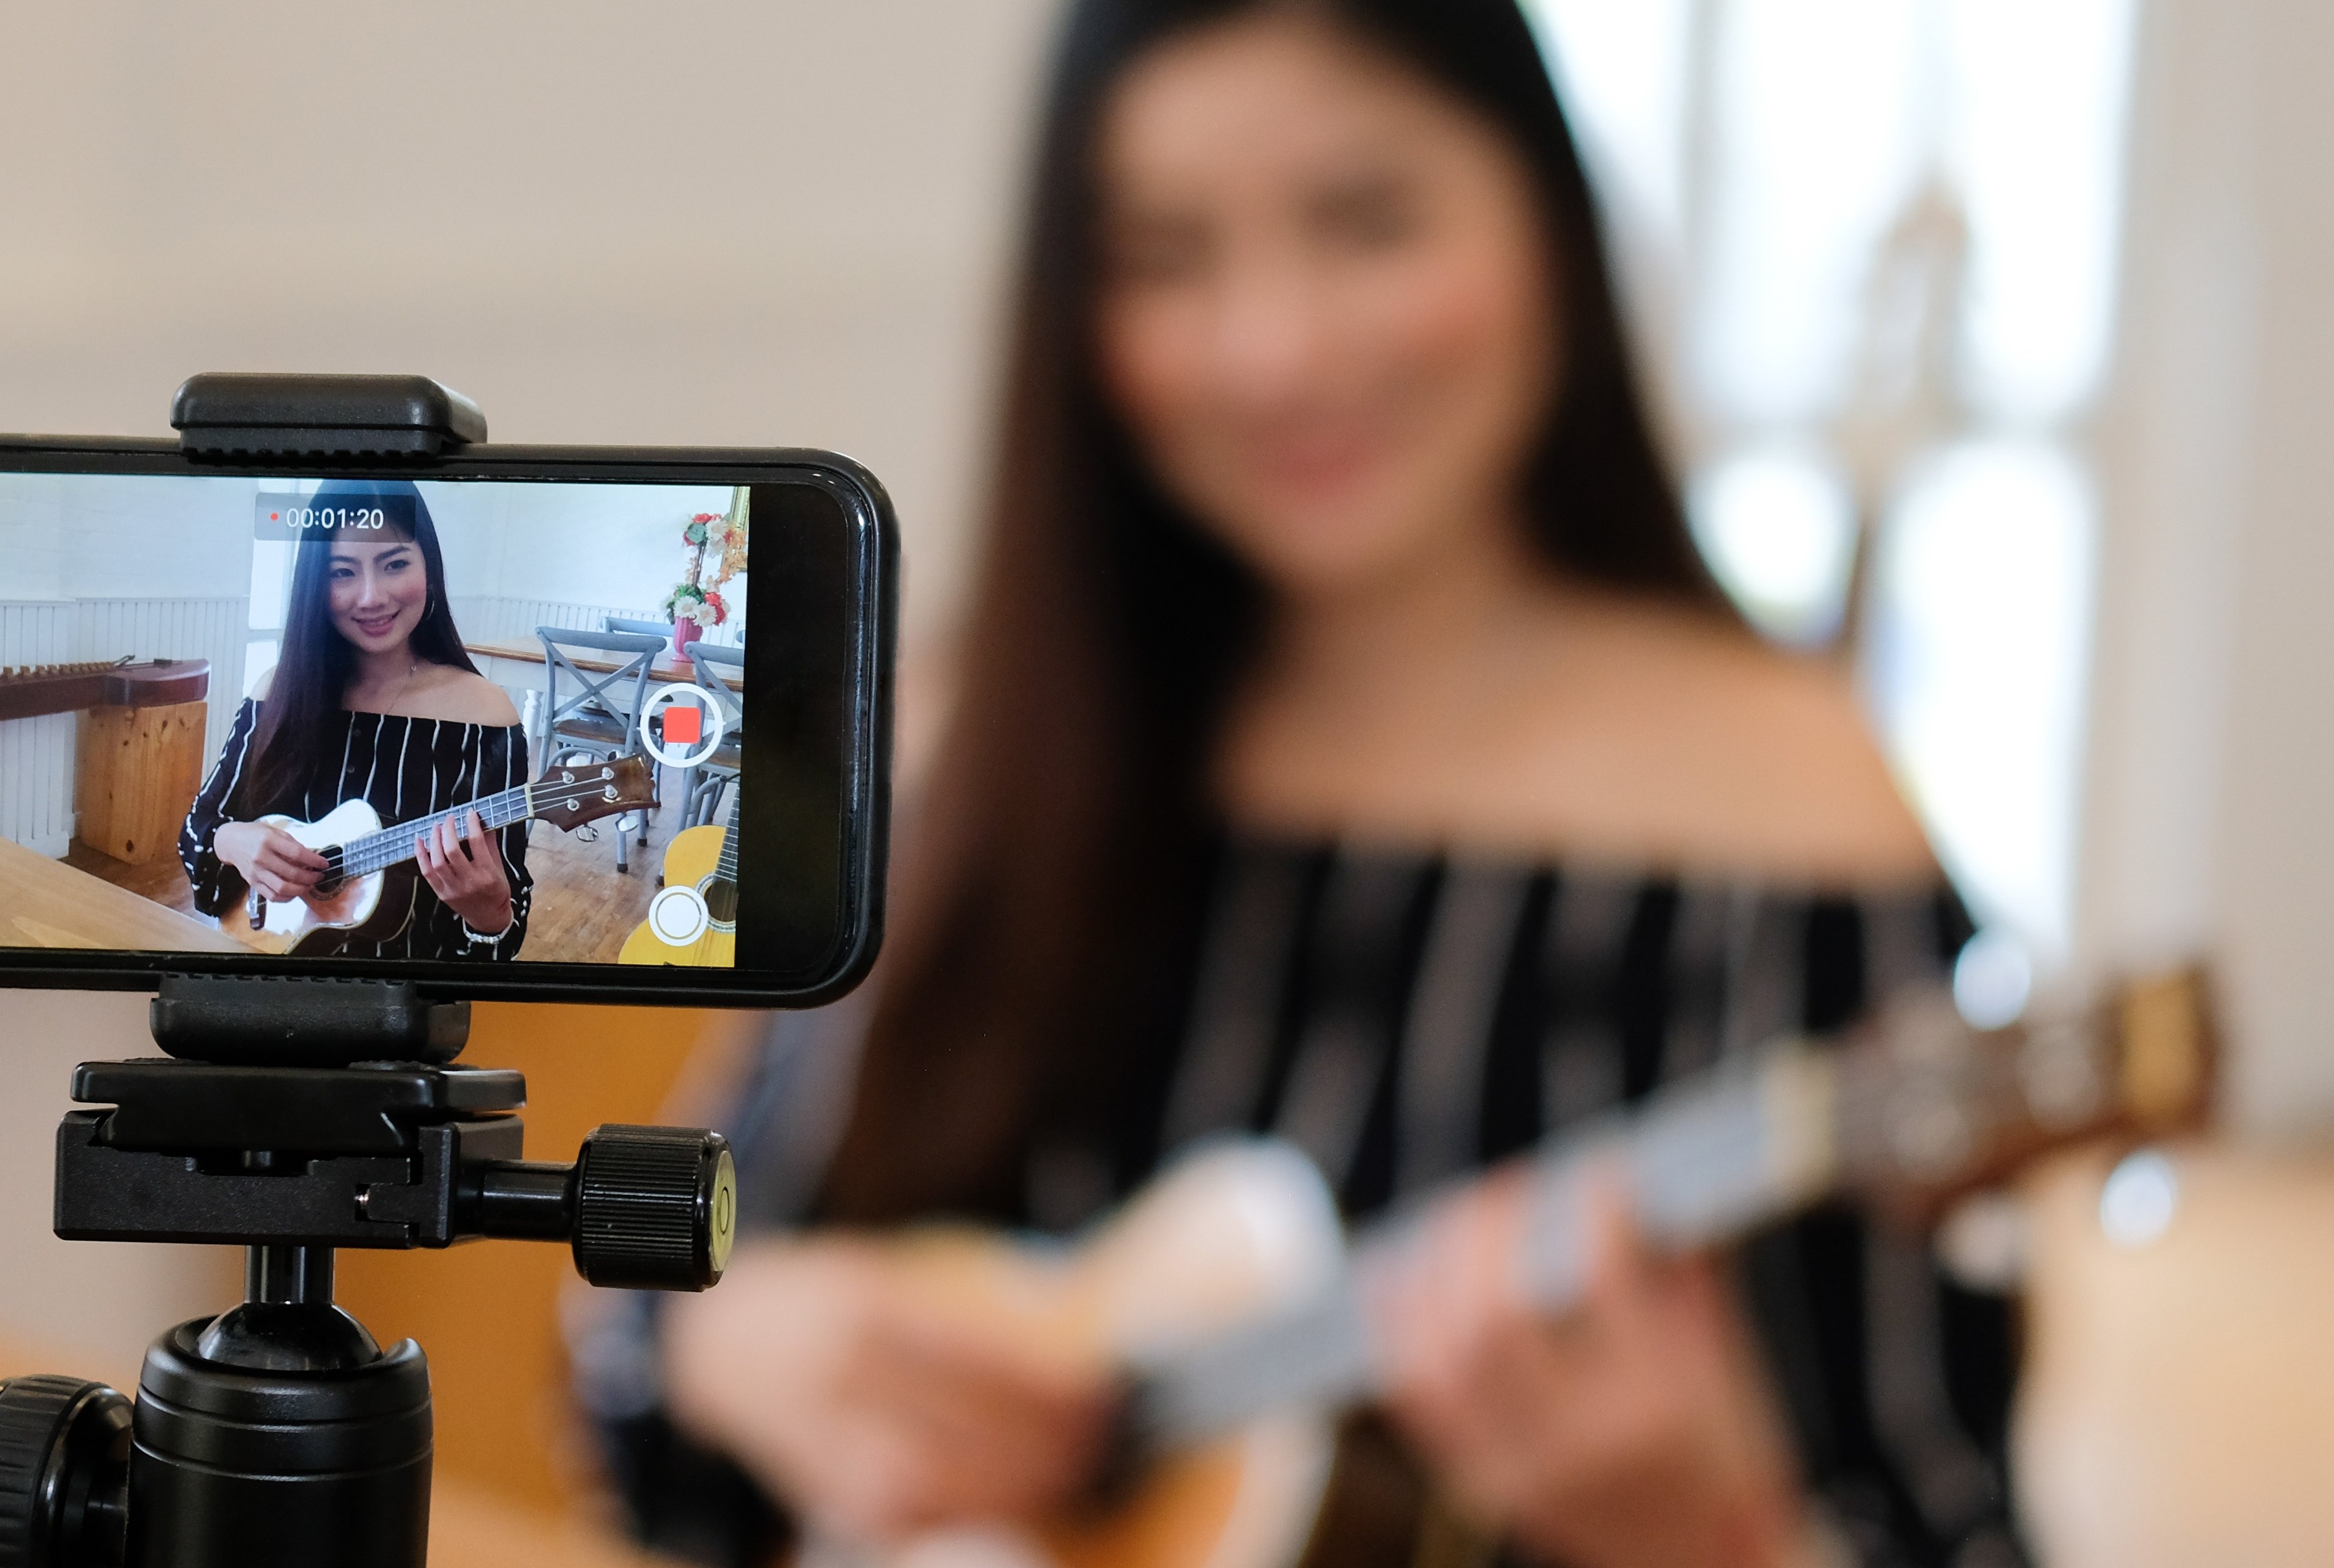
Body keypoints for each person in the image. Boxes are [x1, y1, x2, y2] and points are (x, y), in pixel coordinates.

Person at [582, 3, 2025, 1564]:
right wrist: (733, 1348)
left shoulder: (1793, 818)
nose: (1272, 348)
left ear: (1548, 216)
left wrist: (1718, 1536)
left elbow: (1953, 1519)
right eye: (1162, 256)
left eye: (1368, 220)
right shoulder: (970, 736)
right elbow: (647, 1343)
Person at [180, 479, 535, 961]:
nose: (371, 597)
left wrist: (490, 914)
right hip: (264, 977)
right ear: (314, 585)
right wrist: (230, 840)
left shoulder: (486, 717)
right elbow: (198, 827)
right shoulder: (276, 691)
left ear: (428, 564)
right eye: (342, 572)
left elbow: (504, 924)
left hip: (405, 1001)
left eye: (394, 564)